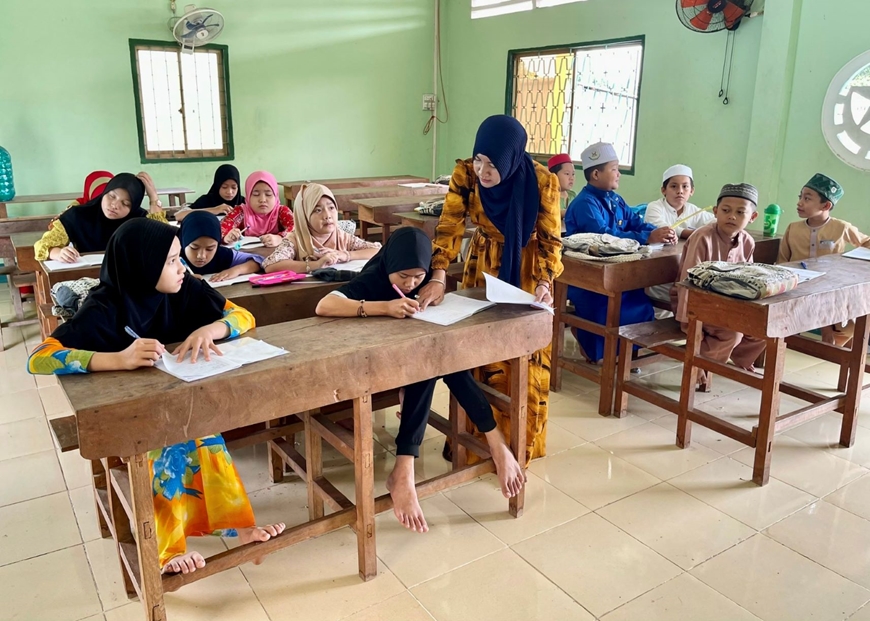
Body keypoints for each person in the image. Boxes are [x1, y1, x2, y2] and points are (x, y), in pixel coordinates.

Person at [27, 218, 285, 574]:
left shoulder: (186, 287)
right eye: (172, 261)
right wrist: (118, 359)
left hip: (176, 402)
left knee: (204, 434)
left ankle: (241, 528)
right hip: (128, 414)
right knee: (163, 442)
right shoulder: (105, 306)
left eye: (180, 258)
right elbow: (40, 358)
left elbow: (242, 316)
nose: (182, 268)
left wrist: (210, 330)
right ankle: (168, 550)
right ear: (143, 265)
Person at [315, 227, 526, 533]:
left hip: (415, 363)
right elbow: (324, 305)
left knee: (442, 361)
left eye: (418, 276)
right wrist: (383, 307)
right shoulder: (374, 277)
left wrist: (436, 282)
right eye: (403, 277)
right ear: (391, 266)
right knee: (431, 362)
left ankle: (410, 465)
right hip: (372, 366)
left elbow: (434, 272)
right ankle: (492, 441)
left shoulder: (426, 276)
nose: (411, 284)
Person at [416, 114, 563, 464]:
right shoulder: (465, 173)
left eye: (493, 164)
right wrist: (438, 275)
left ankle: (517, 445)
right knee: (475, 355)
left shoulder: (543, 181)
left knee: (522, 358)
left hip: (526, 273)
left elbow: (551, 241)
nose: (483, 171)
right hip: (482, 269)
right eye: (480, 159)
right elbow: (450, 224)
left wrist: (545, 282)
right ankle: (472, 444)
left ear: (512, 158)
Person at [564, 142, 676, 363]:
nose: (619, 174)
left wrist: (659, 232)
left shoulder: (616, 199)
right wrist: (647, 237)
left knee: (640, 305)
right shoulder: (585, 204)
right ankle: (598, 353)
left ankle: (628, 356)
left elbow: (636, 222)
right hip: (589, 279)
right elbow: (604, 236)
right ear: (596, 174)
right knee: (608, 311)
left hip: (619, 275)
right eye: (614, 169)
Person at [671, 183, 766, 390]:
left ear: (752, 217)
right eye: (726, 210)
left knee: (766, 328)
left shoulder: (748, 242)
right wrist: (689, 321)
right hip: (696, 304)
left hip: (730, 305)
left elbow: (747, 279)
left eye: (740, 212)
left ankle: (734, 358)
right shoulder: (702, 237)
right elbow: (688, 283)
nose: (731, 216)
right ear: (715, 212)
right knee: (732, 334)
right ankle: (699, 365)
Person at [776, 173, 870, 346]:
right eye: (800, 197)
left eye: (807, 198)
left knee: (851, 321)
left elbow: (866, 242)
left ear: (826, 205)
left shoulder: (841, 227)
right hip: (798, 286)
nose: (799, 202)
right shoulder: (793, 228)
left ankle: (833, 341)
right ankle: (825, 337)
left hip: (830, 286)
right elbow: (782, 260)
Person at [34, 172, 167, 263]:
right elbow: (41, 245)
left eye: (125, 203)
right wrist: (58, 253)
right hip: (84, 278)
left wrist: (154, 199)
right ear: (105, 192)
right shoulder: (78, 216)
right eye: (112, 196)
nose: (115, 205)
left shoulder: (138, 220)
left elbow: (165, 242)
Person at [262, 183, 380, 274]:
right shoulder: (295, 240)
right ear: (304, 216)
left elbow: (378, 250)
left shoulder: (342, 236)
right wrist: (316, 265)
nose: (327, 215)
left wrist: (346, 255)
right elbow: (271, 266)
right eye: (318, 210)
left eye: (331, 208)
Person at [180, 211, 263, 282]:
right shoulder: (174, 257)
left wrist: (237, 270)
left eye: (210, 249)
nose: (201, 256)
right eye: (194, 248)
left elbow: (258, 261)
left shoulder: (221, 255)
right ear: (183, 241)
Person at [220, 171, 293, 248]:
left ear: (276, 195)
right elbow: (220, 229)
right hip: (246, 253)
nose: (262, 200)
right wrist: (226, 237)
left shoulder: (282, 211)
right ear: (248, 196)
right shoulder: (240, 211)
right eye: (256, 194)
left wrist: (280, 238)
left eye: (268, 194)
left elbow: (295, 229)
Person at [645, 165, 714, 239]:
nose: (680, 191)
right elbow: (661, 228)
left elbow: (715, 222)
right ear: (663, 190)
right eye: (674, 186)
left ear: (691, 191)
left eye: (685, 186)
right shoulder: (654, 207)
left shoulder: (694, 211)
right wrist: (690, 233)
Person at [175, 164, 244, 221]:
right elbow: (178, 216)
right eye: (224, 187)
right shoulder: (206, 200)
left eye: (234, 187)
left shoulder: (243, 202)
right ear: (217, 186)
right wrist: (214, 210)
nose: (229, 192)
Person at [547, 153, 576, 218]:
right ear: (554, 176)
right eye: (567, 174)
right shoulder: (548, 195)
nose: (571, 178)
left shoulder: (573, 195)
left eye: (573, 174)